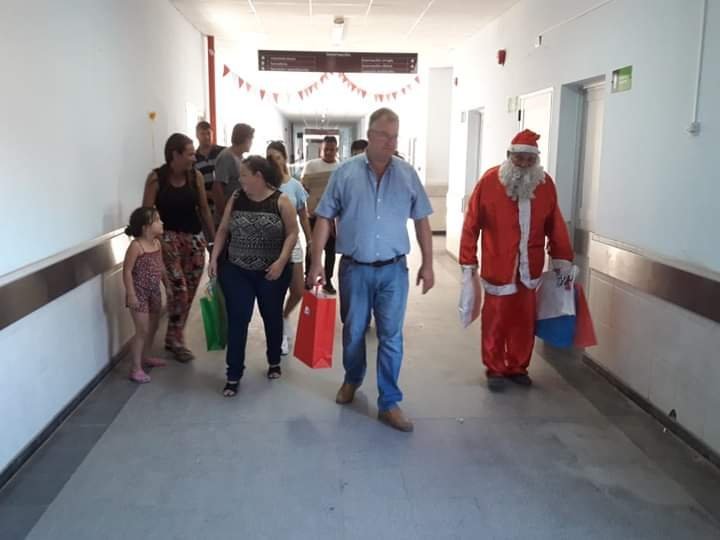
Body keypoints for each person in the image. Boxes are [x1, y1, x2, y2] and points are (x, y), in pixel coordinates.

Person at [306, 108, 435, 432]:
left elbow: (422, 219)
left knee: (391, 336)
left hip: (394, 271)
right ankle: (352, 378)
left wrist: (429, 263)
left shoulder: (407, 174)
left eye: (395, 137)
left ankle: (389, 401)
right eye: (384, 136)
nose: (391, 142)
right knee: (353, 332)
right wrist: (317, 261)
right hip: (355, 269)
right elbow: (324, 217)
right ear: (370, 136)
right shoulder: (345, 172)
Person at [459, 129, 574, 391]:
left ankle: (518, 366)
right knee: (496, 319)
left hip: (529, 268)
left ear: (537, 160)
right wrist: (468, 260)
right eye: (519, 158)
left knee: (524, 320)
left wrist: (562, 257)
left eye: (529, 159)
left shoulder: (544, 184)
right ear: (509, 156)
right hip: (498, 265)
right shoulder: (489, 181)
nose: (523, 164)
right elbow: (471, 223)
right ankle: (495, 368)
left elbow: (555, 224)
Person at [209, 156, 298, 397]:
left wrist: (281, 262)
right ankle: (233, 374)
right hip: (236, 270)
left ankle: (273, 361)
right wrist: (214, 258)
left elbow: (292, 233)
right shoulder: (237, 198)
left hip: (271, 272)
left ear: (259, 176)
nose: (241, 180)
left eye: (244, 175)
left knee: (272, 316)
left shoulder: (281, 201)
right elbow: (223, 229)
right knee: (238, 319)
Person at [143, 133, 215, 362]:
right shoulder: (157, 179)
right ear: (175, 154)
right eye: (190, 154)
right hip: (167, 242)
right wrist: (149, 246)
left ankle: (174, 335)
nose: (194, 158)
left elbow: (204, 209)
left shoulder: (195, 177)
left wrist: (213, 243)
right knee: (179, 291)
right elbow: (146, 215)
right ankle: (177, 340)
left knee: (190, 291)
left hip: (194, 240)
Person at [266, 141, 313, 356]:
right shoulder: (265, 186)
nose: (273, 162)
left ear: (284, 158)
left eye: (277, 157)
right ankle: (279, 334)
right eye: (269, 158)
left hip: (293, 244)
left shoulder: (294, 185)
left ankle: (284, 317)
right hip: (270, 247)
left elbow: (303, 216)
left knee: (298, 290)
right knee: (274, 293)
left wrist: (311, 241)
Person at [122, 207, 169, 383]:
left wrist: (167, 285)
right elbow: (127, 271)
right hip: (139, 294)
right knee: (142, 330)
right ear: (145, 227)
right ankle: (135, 368)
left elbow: (161, 266)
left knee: (153, 326)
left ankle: (146, 356)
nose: (161, 223)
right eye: (157, 220)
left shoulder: (157, 243)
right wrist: (131, 294)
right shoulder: (136, 246)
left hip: (154, 291)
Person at [302, 135, 339, 295]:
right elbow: (304, 189)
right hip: (313, 215)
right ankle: (308, 277)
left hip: (332, 218)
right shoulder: (311, 166)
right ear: (321, 150)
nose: (329, 152)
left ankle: (327, 280)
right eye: (326, 149)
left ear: (337, 150)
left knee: (330, 250)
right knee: (312, 247)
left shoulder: (340, 168)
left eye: (332, 149)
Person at [213, 123, 255, 218]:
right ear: (245, 139)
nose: (252, 143)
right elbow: (218, 188)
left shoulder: (241, 158)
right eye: (251, 139)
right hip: (227, 214)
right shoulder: (226, 157)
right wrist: (225, 215)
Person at [194, 121, 225, 222]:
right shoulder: (193, 158)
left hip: (224, 202)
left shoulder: (222, 152)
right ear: (197, 135)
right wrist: (208, 194)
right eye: (203, 134)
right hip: (205, 205)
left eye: (208, 133)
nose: (206, 137)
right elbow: (193, 184)